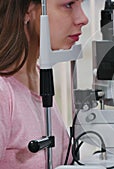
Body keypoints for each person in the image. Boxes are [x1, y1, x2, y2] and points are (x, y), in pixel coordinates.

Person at [0, 0, 88, 168]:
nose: (83, 19)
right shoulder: (3, 92)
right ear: (28, 10)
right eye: (68, 5)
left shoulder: (39, 77)